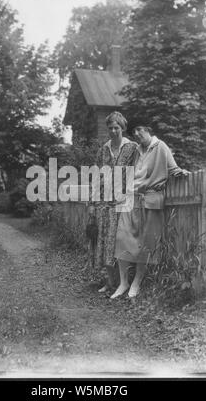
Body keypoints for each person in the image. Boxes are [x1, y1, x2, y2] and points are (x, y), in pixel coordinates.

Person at [110, 125, 189, 299]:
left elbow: (172, 168)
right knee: (121, 237)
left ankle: (136, 282)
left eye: (140, 130)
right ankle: (123, 283)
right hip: (130, 197)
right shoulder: (136, 150)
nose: (137, 135)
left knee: (146, 243)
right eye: (134, 133)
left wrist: (180, 172)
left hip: (151, 199)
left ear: (148, 130)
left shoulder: (161, 146)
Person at [91, 111, 137, 293]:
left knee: (121, 242)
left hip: (125, 202)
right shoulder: (103, 150)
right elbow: (95, 178)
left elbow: (140, 171)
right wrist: (93, 205)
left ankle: (124, 282)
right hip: (104, 203)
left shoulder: (132, 147)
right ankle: (110, 282)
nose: (113, 131)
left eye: (116, 128)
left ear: (123, 128)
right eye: (110, 128)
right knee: (104, 242)